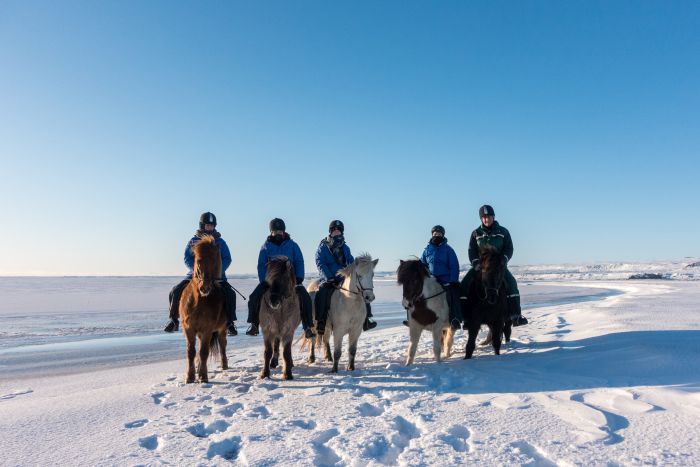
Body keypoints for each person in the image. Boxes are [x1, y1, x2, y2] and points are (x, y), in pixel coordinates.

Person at [164, 212, 238, 336]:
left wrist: (217, 271)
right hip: (195, 276)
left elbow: (227, 258)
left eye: (211, 225)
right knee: (175, 291)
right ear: (202, 225)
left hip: (216, 277)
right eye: (207, 225)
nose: (209, 227)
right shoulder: (193, 241)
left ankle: (230, 323)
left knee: (230, 294)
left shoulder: (220, 242)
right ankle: (173, 320)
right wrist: (197, 271)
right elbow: (187, 258)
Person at [245, 218, 315, 339]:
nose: (278, 233)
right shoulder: (265, 247)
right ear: (271, 232)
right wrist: (265, 280)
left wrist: (299, 277)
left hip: (289, 280)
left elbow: (299, 261)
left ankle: (307, 326)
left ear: (283, 232)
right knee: (254, 297)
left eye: (280, 231)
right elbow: (261, 265)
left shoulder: (293, 245)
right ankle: (254, 324)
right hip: (271, 281)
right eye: (275, 231)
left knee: (305, 297)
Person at [460, 205, 528, 326]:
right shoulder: (476, 233)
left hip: (499, 267)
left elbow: (509, 248)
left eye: (489, 217)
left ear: (493, 217)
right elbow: (472, 250)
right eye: (484, 217)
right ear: (481, 219)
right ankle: (466, 318)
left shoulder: (503, 232)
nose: (487, 219)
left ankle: (515, 315)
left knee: (512, 283)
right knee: (464, 284)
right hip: (481, 268)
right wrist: (475, 263)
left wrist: (504, 259)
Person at [314, 220, 377, 335]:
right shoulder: (323, 247)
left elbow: (351, 262)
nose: (337, 233)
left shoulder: (345, 247)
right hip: (329, 279)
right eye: (335, 231)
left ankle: (367, 319)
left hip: (344, 278)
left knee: (362, 291)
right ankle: (321, 321)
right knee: (322, 293)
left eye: (339, 231)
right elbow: (320, 263)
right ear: (331, 232)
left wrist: (356, 269)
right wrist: (329, 277)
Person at [413, 225, 462, 330]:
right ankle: (416, 319)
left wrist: (453, 280)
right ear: (432, 235)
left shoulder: (448, 250)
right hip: (432, 280)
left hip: (446, 280)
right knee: (417, 295)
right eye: (435, 234)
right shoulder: (427, 250)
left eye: (439, 234)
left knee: (453, 296)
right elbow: (423, 265)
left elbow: (454, 266)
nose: (437, 235)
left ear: (443, 235)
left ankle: (455, 319)